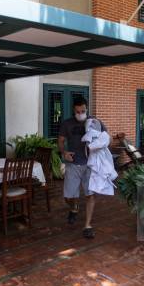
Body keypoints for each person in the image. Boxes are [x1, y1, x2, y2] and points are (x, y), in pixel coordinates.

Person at [58, 97, 107, 238]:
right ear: (74, 110)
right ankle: (74, 207)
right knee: (68, 196)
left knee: (90, 195)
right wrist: (64, 152)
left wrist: (99, 146)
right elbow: (60, 140)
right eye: (78, 111)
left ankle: (87, 225)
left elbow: (106, 138)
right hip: (73, 163)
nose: (81, 113)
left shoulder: (94, 122)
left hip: (90, 164)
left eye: (83, 111)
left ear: (87, 109)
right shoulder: (67, 123)